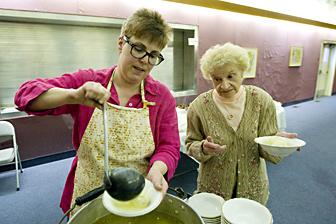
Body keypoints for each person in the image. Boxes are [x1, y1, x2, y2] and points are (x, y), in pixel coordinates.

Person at [14, 8, 180, 214]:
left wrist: (158, 169)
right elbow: (25, 96)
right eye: (139, 48)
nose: (145, 60)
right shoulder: (90, 82)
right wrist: (72, 95)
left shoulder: (161, 97)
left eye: (154, 55)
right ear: (121, 43)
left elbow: (169, 146)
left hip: (137, 192)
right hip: (89, 190)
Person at [185, 42, 297, 205]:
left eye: (231, 76)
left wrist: (278, 142)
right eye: (217, 79)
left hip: (252, 186)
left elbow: (267, 142)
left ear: (242, 72)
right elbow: (190, 144)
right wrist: (202, 147)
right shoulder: (199, 106)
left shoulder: (261, 100)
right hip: (214, 187)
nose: (224, 85)